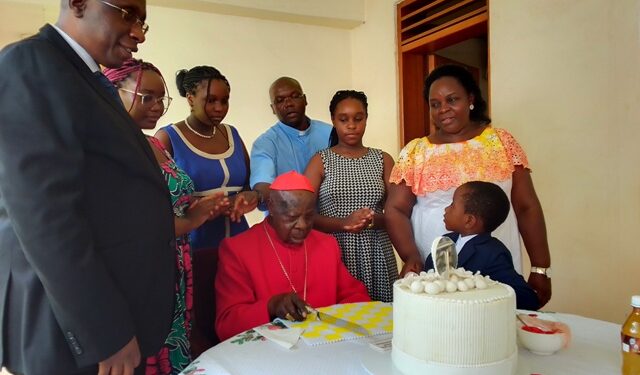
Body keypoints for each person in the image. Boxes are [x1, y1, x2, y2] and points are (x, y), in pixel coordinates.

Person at [0, 1, 175, 374]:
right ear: (78, 2)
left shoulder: (86, 77)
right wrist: (104, 333)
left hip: (110, 317)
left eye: (143, 21)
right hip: (70, 331)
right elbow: (45, 217)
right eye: (126, 12)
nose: (139, 33)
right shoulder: (31, 64)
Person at [385, 64, 552, 307]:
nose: (444, 109)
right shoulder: (415, 151)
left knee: (494, 322)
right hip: (435, 268)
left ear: (471, 99)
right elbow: (396, 210)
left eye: (452, 100)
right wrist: (410, 255)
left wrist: (540, 267)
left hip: (495, 263)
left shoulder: (501, 142)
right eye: (435, 104)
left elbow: (527, 206)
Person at [104, 59, 229, 374]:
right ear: (112, 90)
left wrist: (198, 209)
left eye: (162, 98)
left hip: (174, 263)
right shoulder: (109, 146)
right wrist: (191, 221)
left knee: (172, 350)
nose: (158, 106)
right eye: (147, 97)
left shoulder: (147, 143)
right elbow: (126, 223)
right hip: (142, 271)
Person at [155, 65, 257, 355]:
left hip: (239, 243)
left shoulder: (232, 134)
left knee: (239, 320)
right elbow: (158, 202)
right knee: (202, 323)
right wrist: (196, 209)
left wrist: (249, 197)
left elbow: (251, 185)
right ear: (189, 97)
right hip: (195, 247)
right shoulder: (168, 138)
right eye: (211, 100)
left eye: (224, 100)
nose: (219, 107)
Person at [215, 171, 371, 341]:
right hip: (267, 354)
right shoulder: (238, 249)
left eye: (309, 216)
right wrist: (270, 307)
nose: (302, 225)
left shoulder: (326, 244)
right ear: (271, 207)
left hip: (326, 346)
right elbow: (227, 325)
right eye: (292, 217)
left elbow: (356, 296)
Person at [304, 90, 398, 302]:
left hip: (377, 251)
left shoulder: (383, 159)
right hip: (334, 251)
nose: (351, 125)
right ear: (333, 121)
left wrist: (374, 219)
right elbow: (305, 214)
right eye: (343, 119)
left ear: (366, 118)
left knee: (383, 319)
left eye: (358, 118)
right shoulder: (320, 161)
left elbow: (397, 212)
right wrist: (343, 223)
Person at [424, 181, 540, 310]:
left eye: (452, 205)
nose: (446, 209)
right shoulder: (446, 242)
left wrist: (478, 288)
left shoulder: (493, 253)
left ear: (469, 220)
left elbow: (526, 298)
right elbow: (430, 272)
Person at [250, 77, 332, 206]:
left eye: (294, 96)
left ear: (305, 100)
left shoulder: (330, 133)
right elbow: (263, 183)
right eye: (280, 100)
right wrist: (257, 196)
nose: (288, 104)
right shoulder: (265, 144)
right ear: (273, 108)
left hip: (331, 220)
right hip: (288, 222)